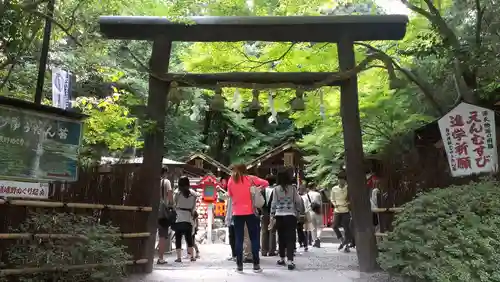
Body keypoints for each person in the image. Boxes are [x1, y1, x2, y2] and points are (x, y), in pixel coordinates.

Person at [227, 164, 269, 273]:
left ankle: (239, 267)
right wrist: (257, 189)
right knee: (254, 238)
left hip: (237, 213)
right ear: (245, 170)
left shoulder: (231, 180)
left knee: (239, 240)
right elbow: (266, 183)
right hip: (251, 212)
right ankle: (256, 266)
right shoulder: (251, 179)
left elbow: (230, 194)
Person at [271, 169, 302, 270]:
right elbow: (298, 201)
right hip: (290, 215)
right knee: (290, 238)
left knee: (281, 237)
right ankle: (290, 261)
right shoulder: (292, 189)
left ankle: (282, 258)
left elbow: (274, 203)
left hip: (279, 215)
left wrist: (272, 214)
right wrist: (298, 211)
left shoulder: (276, 189)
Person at [173, 176, 197, 262]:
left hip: (179, 217)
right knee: (189, 238)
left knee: (178, 237)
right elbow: (194, 207)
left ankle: (179, 257)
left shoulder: (177, 193)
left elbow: (174, 204)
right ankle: (192, 256)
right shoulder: (193, 194)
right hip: (188, 218)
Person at [330, 170, 353, 253]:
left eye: (343, 179)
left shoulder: (348, 188)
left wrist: (348, 203)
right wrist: (334, 204)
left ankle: (346, 246)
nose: (341, 181)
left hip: (346, 210)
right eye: (340, 179)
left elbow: (351, 199)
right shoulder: (334, 189)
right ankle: (342, 240)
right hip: (337, 210)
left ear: (345, 180)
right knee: (334, 226)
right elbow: (332, 199)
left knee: (346, 228)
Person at [157, 168, 172, 265]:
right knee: (162, 236)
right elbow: (170, 194)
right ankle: (160, 258)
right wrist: (171, 206)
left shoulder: (154, 182)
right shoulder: (166, 182)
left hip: (152, 210)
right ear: (165, 173)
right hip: (162, 212)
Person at [261, 174, 277, 256]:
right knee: (272, 231)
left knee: (264, 232)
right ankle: (272, 250)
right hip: (273, 213)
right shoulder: (276, 191)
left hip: (264, 212)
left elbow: (260, 202)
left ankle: (264, 250)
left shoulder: (262, 190)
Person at [303, 183, 323, 248]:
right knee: (319, 227)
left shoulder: (306, 195)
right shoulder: (318, 194)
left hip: (310, 212)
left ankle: (315, 241)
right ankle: (318, 238)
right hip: (318, 212)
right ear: (314, 187)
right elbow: (321, 204)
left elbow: (305, 205)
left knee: (313, 228)